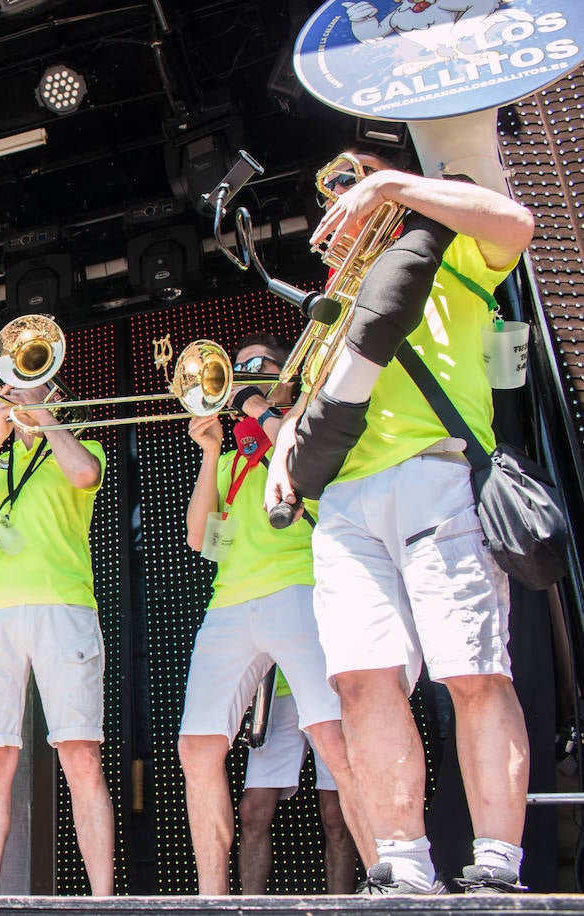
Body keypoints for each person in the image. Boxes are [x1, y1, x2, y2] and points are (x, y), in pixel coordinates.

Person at [266, 152, 535, 894]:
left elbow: (517, 222)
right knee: (359, 681)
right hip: (344, 503)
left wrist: (391, 185)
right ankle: (405, 865)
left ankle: (496, 868)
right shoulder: (333, 305)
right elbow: (313, 407)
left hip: (434, 471)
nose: (341, 201)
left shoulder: (448, 246)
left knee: (473, 673)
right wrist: (286, 435)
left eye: (353, 183)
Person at [180, 334, 371, 895]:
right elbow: (199, 538)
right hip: (229, 601)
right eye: (234, 369)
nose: (240, 375)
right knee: (197, 747)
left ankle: (390, 878)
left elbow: (301, 463)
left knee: (332, 738)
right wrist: (213, 451)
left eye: (254, 366)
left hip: (299, 587)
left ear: (286, 372)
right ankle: (213, 901)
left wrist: (260, 410)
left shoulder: (306, 418)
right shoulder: (235, 447)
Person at [0, 383, 114, 895]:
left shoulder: (78, 443)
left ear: (56, 391)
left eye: (30, 385)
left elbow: (86, 474)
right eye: (10, 387)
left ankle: (104, 902)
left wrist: (43, 416)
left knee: (79, 754)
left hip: (63, 607)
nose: (16, 395)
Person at [238, 670, 356, 894]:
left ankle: (340, 907)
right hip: (276, 692)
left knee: (336, 813)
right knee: (252, 812)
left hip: (325, 689)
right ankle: (250, 907)